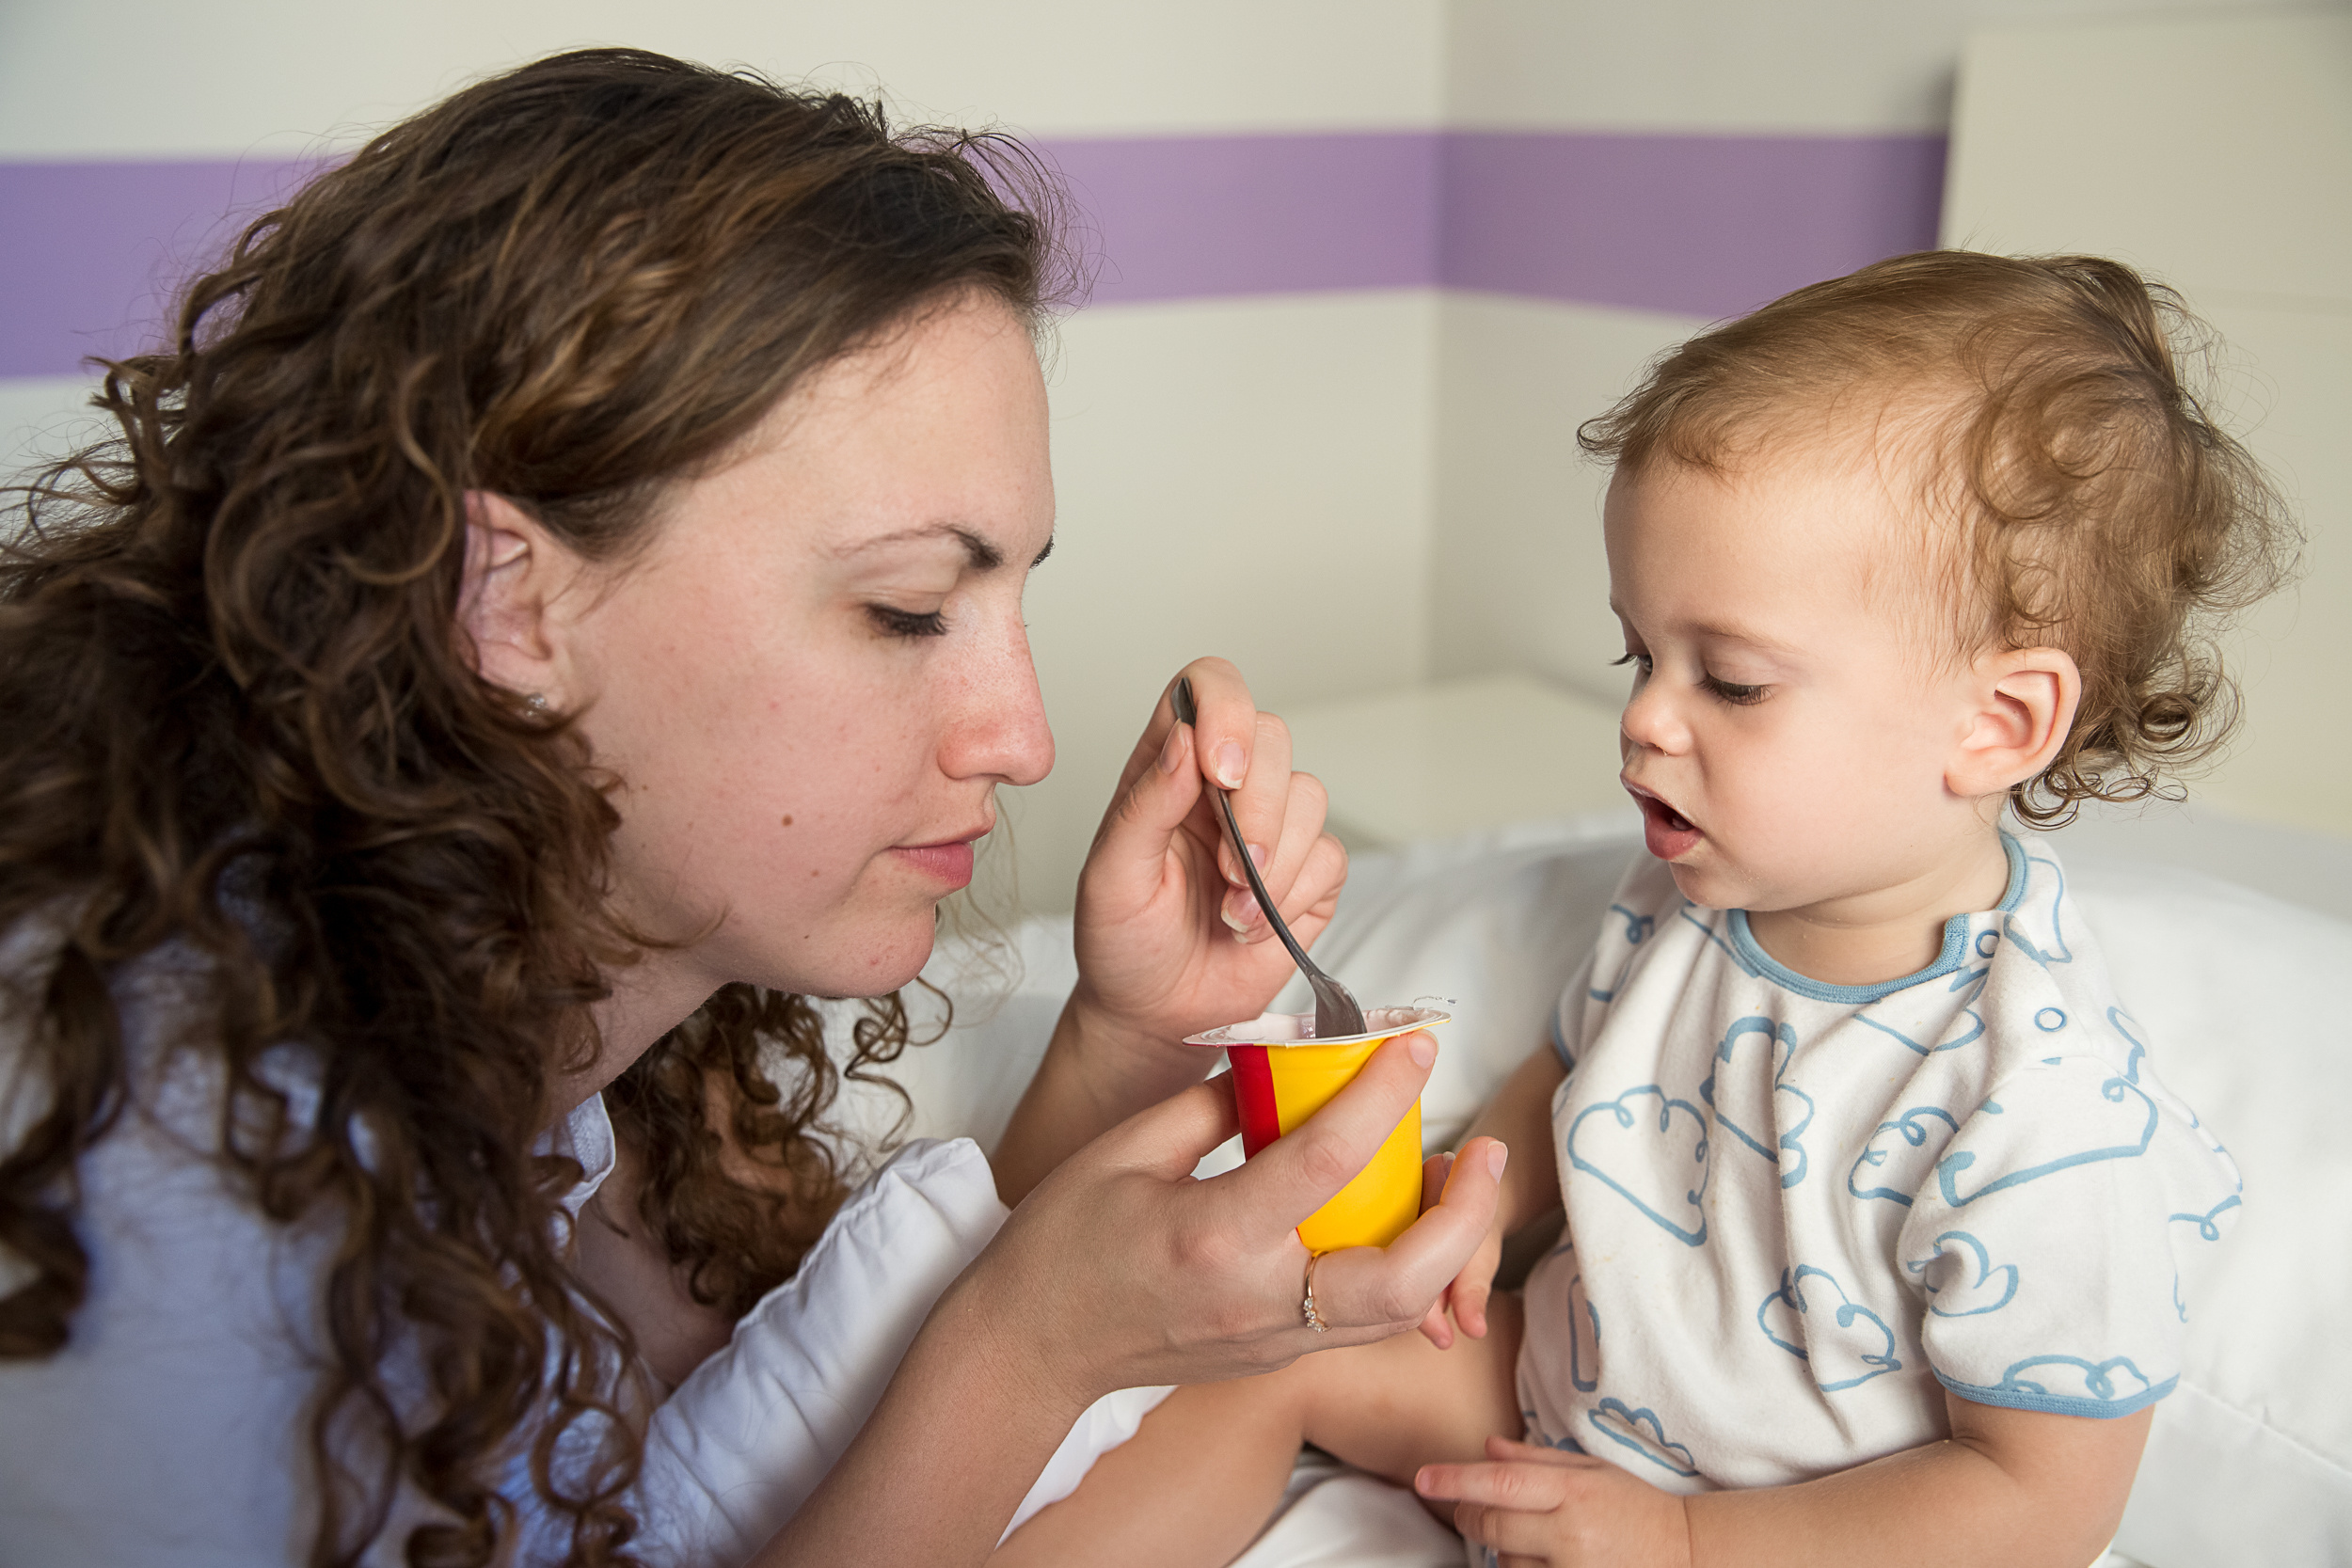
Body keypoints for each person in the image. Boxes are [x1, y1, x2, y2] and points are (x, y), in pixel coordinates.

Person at [0, 49, 1505, 1568]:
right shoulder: (156, 1224)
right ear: (506, 598)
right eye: (911, 608)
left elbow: (768, 1460)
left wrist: (1125, 1045)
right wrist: (1026, 1353)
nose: (1026, 738)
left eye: (1010, 598)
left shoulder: (555, 1032)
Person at [994, 251, 2297, 1568]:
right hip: (1550, 1400)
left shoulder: (2041, 1108)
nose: (1642, 722)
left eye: (1729, 681)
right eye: (1638, 653)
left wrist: (1681, 1541)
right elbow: (1575, 1071)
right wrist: (1482, 1202)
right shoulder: (1683, 898)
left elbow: (2039, 1504)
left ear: (1997, 722)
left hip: (1787, 1538)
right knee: (1270, 1361)